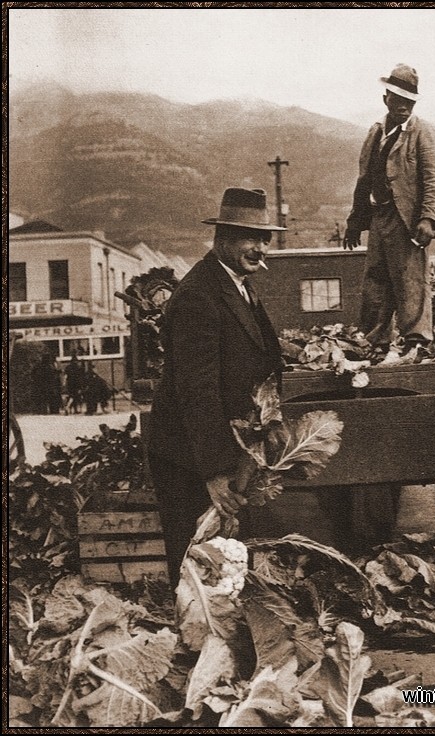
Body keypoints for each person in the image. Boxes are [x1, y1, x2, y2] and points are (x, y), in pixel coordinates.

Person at [147, 187, 284, 585]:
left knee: (218, 568)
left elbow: (262, 360)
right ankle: (194, 645)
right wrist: (214, 470)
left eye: (263, 239)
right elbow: (197, 391)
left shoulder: (237, 285)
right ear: (221, 239)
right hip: (188, 457)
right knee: (196, 569)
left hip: (214, 449)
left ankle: (216, 640)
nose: (259, 248)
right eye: (250, 238)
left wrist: (272, 418)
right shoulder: (198, 297)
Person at [343, 64, 435, 353]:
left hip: (408, 219)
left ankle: (417, 342)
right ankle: (376, 342)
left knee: (410, 278)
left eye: (409, 100)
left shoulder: (423, 132)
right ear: (386, 98)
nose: (404, 106)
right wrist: (355, 220)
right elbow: (364, 177)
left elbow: (434, 177)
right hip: (380, 216)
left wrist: (429, 218)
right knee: (375, 281)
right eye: (398, 99)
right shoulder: (376, 132)